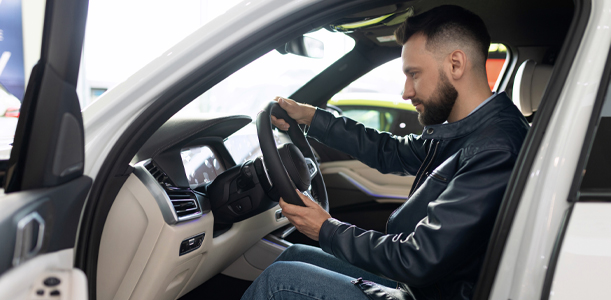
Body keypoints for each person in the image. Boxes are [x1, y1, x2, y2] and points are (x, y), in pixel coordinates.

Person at [242, 5, 529, 300]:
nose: (405, 92)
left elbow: (418, 258)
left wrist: (326, 229)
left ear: (455, 64)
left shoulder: (495, 148)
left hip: (433, 293)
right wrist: (312, 118)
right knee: (295, 255)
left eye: (413, 74)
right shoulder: (470, 130)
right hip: (425, 288)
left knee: (279, 282)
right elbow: (389, 151)